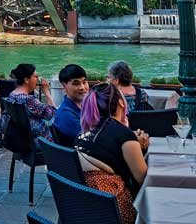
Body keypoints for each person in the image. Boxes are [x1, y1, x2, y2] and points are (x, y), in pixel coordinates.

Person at [76, 83, 148, 224]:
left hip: (84, 205)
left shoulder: (86, 130)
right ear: (121, 103)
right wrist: (139, 146)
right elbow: (143, 179)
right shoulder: (124, 135)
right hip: (114, 208)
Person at [6, 63, 56, 141]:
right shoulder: (29, 100)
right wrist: (47, 93)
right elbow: (52, 115)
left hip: (22, 138)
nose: (38, 79)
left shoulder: (12, 95)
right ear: (26, 80)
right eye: (36, 76)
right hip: (41, 141)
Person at [53, 64, 89, 145]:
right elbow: (89, 140)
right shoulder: (66, 114)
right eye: (76, 84)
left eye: (84, 82)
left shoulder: (84, 106)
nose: (82, 87)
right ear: (64, 86)